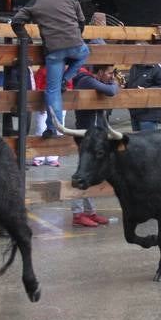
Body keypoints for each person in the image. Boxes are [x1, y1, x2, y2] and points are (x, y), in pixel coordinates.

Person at [10, 0, 89, 138]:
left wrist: (27, 40)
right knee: (85, 53)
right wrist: (76, 37)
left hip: (53, 51)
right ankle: (66, 79)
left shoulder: (36, 1)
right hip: (76, 46)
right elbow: (82, 22)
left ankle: (53, 128)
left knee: (52, 91)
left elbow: (16, 22)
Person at [69, 63, 118, 228]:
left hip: (94, 135)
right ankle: (77, 213)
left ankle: (90, 212)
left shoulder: (92, 80)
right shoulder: (86, 81)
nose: (112, 76)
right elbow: (111, 91)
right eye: (110, 73)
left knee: (91, 170)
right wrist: (115, 83)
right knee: (83, 170)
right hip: (86, 136)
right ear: (100, 72)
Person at [124, 51, 161, 132]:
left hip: (149, 113)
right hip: (135, 111)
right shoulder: (135, 66)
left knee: (149, 141)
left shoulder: (158, 66)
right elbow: (133, 83)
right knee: (137, 141)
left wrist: (146, 91)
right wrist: (125, 86)